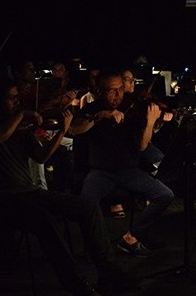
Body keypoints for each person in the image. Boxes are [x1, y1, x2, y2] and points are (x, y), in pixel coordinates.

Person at [0, 78, 135, 296]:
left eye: (18, 98)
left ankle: (108, 272)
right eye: (11, 98)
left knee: (86, 206)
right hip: (0, 200)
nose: (16, 103)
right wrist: (22, 114)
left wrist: (62, 131)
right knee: (43, 219)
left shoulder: (19, 129)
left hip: (29, 192)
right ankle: (77, 286)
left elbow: (41, 157)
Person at [69, 71, 175, 257]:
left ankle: (132, 236)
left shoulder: (131, 110)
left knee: (165, 195)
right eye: (112, 91)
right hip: (101, 171)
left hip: (129, 171)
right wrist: (101, 116)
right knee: (86, 203)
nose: (118, 95)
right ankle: (96, 248)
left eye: (120, 89)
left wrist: (150, 123)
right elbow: (74, 129)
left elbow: (142, 146)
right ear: (101, 91)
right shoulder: (92, 109)